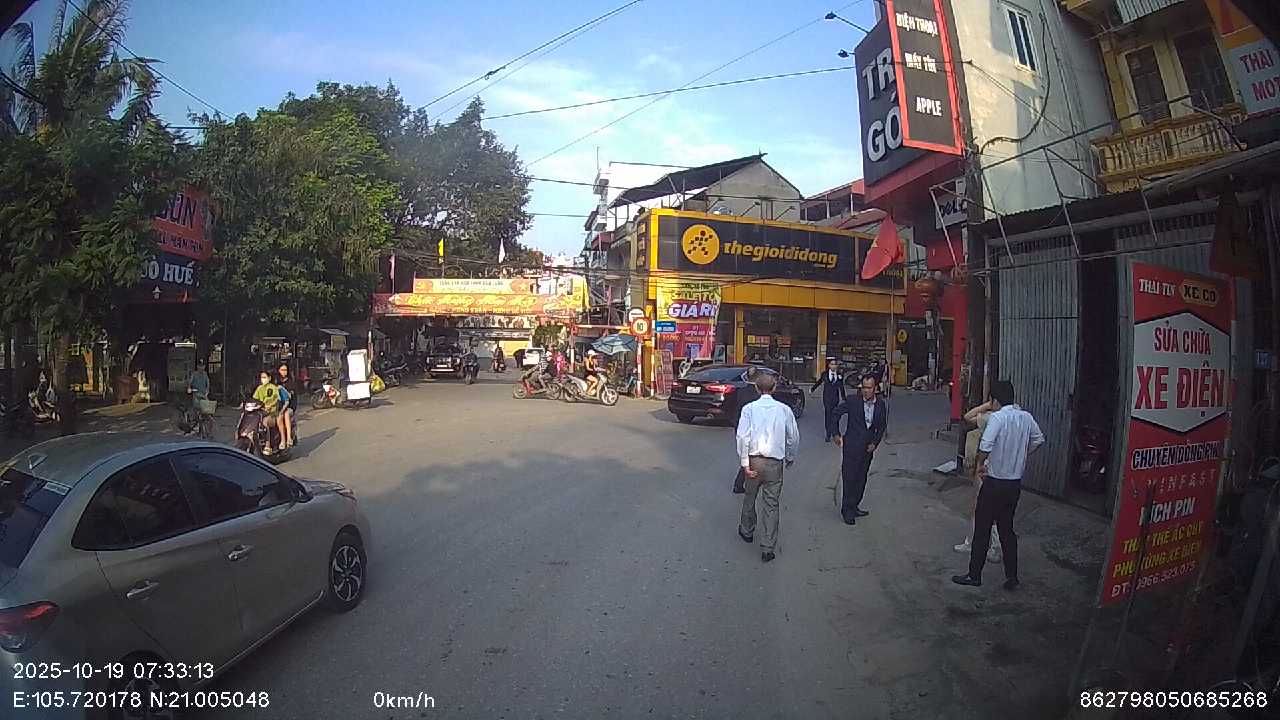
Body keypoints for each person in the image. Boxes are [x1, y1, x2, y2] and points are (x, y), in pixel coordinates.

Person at [952, 380, 1045, 591]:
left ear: (994, 400)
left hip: (994, 482)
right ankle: (1012, 577)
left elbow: (985, 445)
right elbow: (1039, 439)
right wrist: (1022, 455)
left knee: (982, 529)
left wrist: (980, 465)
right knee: (1007, 530)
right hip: (1014, 484)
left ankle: (974, 575)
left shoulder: (997, 418)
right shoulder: (1026, 417)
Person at [735, 371, 800, 563]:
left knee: (750, 496)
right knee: (771, 504)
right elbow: (793, 436)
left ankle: (747, 530)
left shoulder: (749, 409)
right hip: (774, 463)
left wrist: (744, 463)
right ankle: (767, 547)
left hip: (754, 460)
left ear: (756, 388)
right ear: (774, 388)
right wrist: (790, 457)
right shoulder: (784, 410)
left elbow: (742, 437)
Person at [831, 375, 888, 525]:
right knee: (849, 479)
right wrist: (835, 434)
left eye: (869, 388)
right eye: (864, 387)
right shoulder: (853, 401)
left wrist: (875, 443)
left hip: (867, 449)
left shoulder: (880, 405)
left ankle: (854, 505)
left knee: (861, 479)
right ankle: (847, 511)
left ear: (875, 389)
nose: (866, 391)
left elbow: (882, 426)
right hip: (851, 447)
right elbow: (835, 414)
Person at [954, 399, 1002, 563]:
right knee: (989, 509)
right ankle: (983, 543)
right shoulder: (1017, 417)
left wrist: (986, 405)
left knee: (982, 508)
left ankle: (989, 546)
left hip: (987, 468)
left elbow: (968, 417)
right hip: (1002, 471)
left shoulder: (992, 418)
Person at [810, 357, 847, 442]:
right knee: (828, 415)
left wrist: (844, 397)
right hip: (827, 398)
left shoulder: (839, 375)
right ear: (829, 365)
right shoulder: (825, 374)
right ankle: (828, 433)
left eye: (835, 364)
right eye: (832, 364)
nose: (834, 366)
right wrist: (812, 389)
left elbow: (841, 387)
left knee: (835, 415)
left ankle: (835, 432)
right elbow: (819, 382)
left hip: (835, 398)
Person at [252, 371, 285, 455]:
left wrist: (270, 406)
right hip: (260, 413)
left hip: (272, 414)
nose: (263, 379)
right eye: (262, 377)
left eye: (264, 377)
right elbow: (254, 399)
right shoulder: (259, 388)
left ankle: (268, 445)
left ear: (269, 378)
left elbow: (277, 400)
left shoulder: (273, 388)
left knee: (265, 422)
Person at [276, 362, 299, 449]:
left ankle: (288, 438)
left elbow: (290, 396)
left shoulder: (291, 382)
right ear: (278, 371)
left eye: (285, 370)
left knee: (286, 414)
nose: (284, 372)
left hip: (289, 406)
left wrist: (283, 389)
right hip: (277, 406)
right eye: (282, 370)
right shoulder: (275, 382)